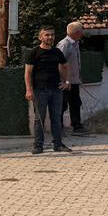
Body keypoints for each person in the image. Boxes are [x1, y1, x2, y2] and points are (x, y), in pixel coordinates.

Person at [24, 26, 72, 154]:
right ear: (40, 37)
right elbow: (28, 73)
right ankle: (38, 146)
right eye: (47, 35)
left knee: (56, 118)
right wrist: (29, 89)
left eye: (52, 35)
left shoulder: (57, 52)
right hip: (39, 90)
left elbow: (66, 65)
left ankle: (58, 144)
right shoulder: (34, 52)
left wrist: (67, 82)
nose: (50, 37)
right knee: (39, 119)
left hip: (56, 90)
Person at [59, 21, 87, 135]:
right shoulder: (64, 44)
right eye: (81, 32)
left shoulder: (75, 43)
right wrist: (65, 80)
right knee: (62, 105)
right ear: (76, 33)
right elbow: (60, 63)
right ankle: (58, 128)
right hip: (65, 81)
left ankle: (77, 126)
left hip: (74, 80)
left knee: (75, 103)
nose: (82, 34)